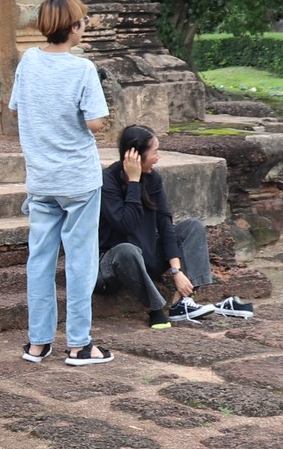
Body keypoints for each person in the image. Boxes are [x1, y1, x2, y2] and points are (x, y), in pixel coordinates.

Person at [10, 0, 113, 366]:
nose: (84, 26)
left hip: (41, 177)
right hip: (78, 179)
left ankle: (37, 343)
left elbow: (18, 110)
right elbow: (95, 122)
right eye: (82, 21)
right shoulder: (82, 69)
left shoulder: (28, 61)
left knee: (40, 260)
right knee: (80, 261)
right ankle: (78, 344)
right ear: (73, 28)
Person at [99, 125, 253, 327]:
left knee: (192, 227)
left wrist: (176, 271)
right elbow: (126, 225)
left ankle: (182, 302)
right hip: (113, 266)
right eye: (154, 152)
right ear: (136, 156)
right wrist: (134, 183)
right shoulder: (107, 181)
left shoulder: (153, 179)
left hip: (148, 258)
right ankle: (154, 308)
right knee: (127, 250)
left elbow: (165, 224)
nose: (158, 157)